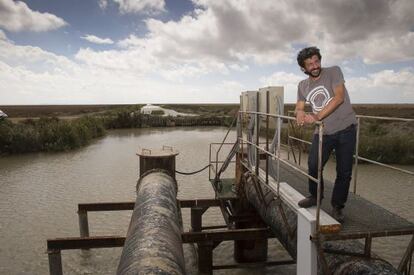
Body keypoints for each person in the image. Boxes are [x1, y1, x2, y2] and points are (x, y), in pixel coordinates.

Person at [295, 46, 357, 222]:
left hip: (346, 129)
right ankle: (315, 196)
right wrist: (299, 113)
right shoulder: (302, 85)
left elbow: (339, 97)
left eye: (316, 61)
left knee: (344, 171)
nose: (315, 66)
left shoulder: (334, 71)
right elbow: (299, 105)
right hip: (323, 132)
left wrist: (317, 116)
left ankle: (338, 206)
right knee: (314, 165)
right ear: (303, 68)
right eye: (310, 64)